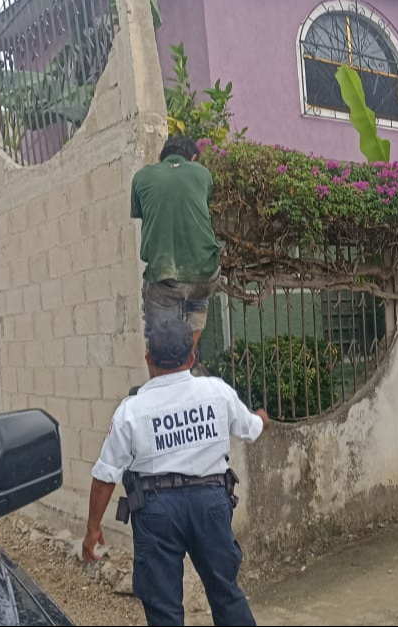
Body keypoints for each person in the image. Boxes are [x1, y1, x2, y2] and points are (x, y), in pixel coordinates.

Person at [82, 318, 271, 625]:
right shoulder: (216, 392)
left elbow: (106, 475)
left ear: (148, 359)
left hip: (156, 511)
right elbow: (251, 429)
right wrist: (263, 418)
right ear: (192, 358)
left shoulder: (131, 410)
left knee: (163, 606)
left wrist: (93, 528)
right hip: (210, 504)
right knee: (226, 593)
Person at [132, 135, 221, 350]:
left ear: (161, 156)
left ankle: (169, 366)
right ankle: (188, 357)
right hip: (206, 273)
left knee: (160, 339)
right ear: (192, 157)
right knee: (198, 300)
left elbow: (145, 215)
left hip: (166, 276)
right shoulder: (202, 173)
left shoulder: (142, 177)